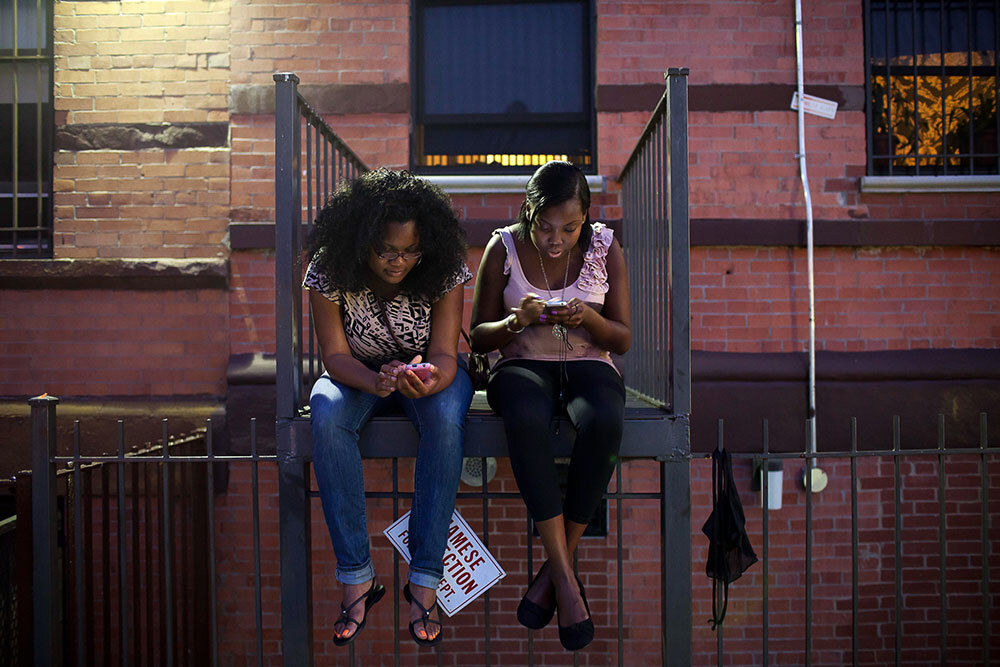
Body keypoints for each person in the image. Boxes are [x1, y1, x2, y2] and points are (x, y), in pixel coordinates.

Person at [303, 168, 473, 647]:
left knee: (444, 422)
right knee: (326, 411)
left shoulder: (442, 267)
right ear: (361, 242)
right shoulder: (328, 268)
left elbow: (444, 354)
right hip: (355, 373)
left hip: (427, 374)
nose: (401, 262)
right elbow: (334, 357)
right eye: (387, 251)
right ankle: (357, 576)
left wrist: (429, 379)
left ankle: (424, 579)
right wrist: (375, 380)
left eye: (410, 251)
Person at [469, 160, 631, 652]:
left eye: (569, 227)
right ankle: (565, 579)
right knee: (525, 416)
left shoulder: (605, 246)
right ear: (528, 211)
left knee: (604, 419)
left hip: (590, 364)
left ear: (586, 217)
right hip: (521, 365)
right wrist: (517, 322)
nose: (555, 239)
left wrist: (589, 320)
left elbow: (621, 339)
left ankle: (555, 574)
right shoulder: (504, 246)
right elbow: (478, 337)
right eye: (544, 226)